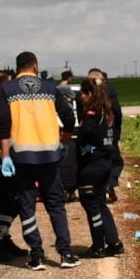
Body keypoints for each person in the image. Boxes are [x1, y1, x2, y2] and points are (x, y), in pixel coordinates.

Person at [0, 52, 80, 270]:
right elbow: (68, 115)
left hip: (22, 156)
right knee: (55, 205)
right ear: (35, 66)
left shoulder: (8, 90)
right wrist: (66, 137)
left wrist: (5, 155)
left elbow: (3, 124)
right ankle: (65, 253)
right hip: (49, 156)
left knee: (27, 205)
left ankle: (37, 255)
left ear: (17, 68)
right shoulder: (49, 88)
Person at [76, 81, 125, 258]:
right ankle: (114, 242)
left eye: (82, 93)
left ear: (89, 94)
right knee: (100, 204)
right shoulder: (106, 111)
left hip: (91, 166)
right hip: (105, 163)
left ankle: (98, 246)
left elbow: (87, 133)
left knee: (91, 206)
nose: (80, 97)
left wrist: (81, 141)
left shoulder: (91, 113)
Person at [0, 70, 27, 261]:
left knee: (5, 202)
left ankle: (3, 239)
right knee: (12, 202)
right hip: (4, 160)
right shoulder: (3, 106)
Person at [86, 68, 124, 202]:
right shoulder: (109, 90)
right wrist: (117, 131)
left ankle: (96, 188)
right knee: (116, 161)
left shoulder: (85, 91)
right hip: (108, 130)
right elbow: (117, 112)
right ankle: (109, 183)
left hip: (90, 132)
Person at [56, 70, 79, 202]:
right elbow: (73, 98)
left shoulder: (57, 87)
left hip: (59, 120)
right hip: (69, 117)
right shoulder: (67, 88)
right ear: (68, 78)